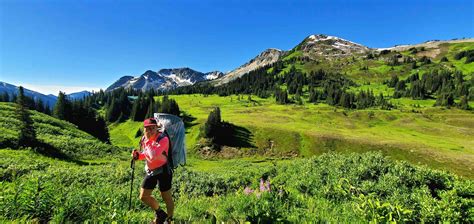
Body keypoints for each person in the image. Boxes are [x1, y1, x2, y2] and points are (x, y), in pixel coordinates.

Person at [132, 117, 174, 224]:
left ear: (157, 128)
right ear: (144, 129)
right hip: (151, 170)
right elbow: (146, 155)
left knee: (166, 197)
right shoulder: (144, 139)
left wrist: (148, 141)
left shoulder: (163, 139)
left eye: (152, 128)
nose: (150, 131)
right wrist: (138, 156)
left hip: (163, 170)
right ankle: (160, 213)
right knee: (143, 196)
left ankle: (169, 220)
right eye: (147, 128)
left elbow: (153, 156)